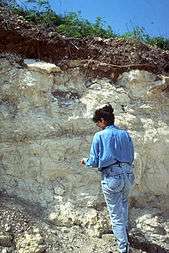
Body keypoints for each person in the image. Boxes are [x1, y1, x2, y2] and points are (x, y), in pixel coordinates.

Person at [80, 103, 134, 253]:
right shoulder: (125, 134)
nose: (98, 126)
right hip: (128, 174)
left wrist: (85, 161)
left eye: (98, 122)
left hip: (112, 176)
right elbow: (130, 156)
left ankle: (123, 249)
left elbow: (94, 161)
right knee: (123, 208)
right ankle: (125, 237)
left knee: (115, 213)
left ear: (103, 120)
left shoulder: (100, 136)